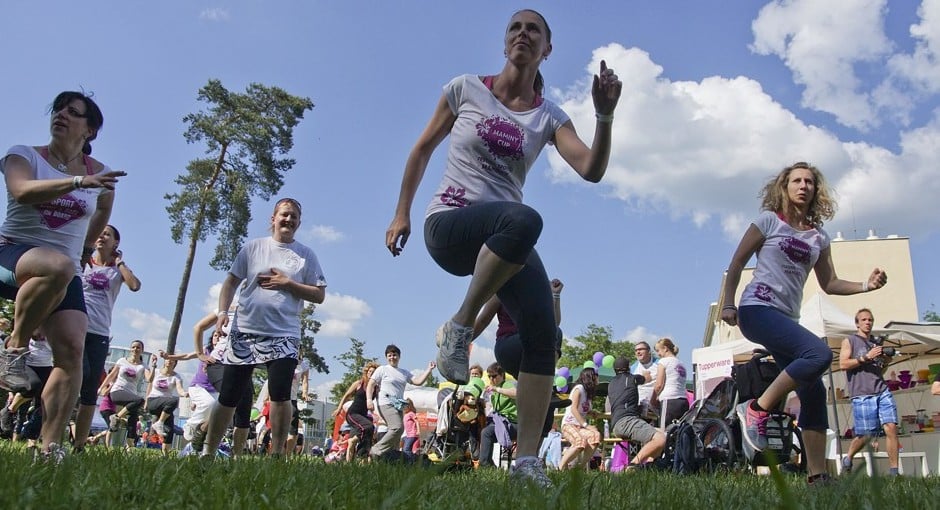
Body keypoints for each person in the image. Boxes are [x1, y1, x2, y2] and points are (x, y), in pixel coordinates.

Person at [385, 9, 621, 487]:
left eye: (534, 29)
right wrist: (401, 212)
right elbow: (422, 148)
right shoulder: (465, 88)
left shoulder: (549, 115)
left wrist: (604, 114)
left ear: (547, 50)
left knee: (542, 336)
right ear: (504, 42)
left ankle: (528, 463)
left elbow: (591, 169)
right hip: (450, 226)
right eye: (515, 27)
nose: (523, 34)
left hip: (505, 240)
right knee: (524, 218)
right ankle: (461, 326)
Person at [720, 161, 888, 486]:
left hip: (785, 318)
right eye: (796, 180)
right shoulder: (768, 221)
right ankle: (757, 408)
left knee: (813, 391)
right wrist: (728, 302)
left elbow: (830, 283)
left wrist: (866, 286)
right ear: (785, 187)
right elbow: (737, 262)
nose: (803, 186)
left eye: (809, 182)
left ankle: (818, 476)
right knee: (819, 355)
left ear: (816, 189)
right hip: (757, 309)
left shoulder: (819, 237)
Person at [0, 91, 126, 460]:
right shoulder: (23, 154)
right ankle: (15, 348)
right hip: (13, 255)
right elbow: (21, 191)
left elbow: (101, 211)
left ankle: (50, 447)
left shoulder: (98, 174)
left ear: (90, 130)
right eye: (59, 110)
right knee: (58, 264)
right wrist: (75, 184)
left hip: (64, 269)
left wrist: (87, 251)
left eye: (74, 113)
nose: (61, 116)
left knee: (72, 349)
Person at [202, 198, 327, 459]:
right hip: (246, 330)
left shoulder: (306, 255)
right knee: (229, 396)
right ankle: (208, 451)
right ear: (273, 218)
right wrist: (223, 313)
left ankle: (278, 454)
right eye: (284, 215)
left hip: (284, 333)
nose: (289, 220)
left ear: (299, 223)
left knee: (281, 395)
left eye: (294, 216)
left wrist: (287, 283)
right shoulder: (253, 248)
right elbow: (230, 283)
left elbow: (318, 294)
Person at [72, 224, 141, 452]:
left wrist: (120, 262)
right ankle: (50, 432)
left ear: (116, 243)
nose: (102, 236)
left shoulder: (116, 270)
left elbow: (135, 286)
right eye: (99, 233)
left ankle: (79, 445)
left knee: (90, 389)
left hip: (99, 333)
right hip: (74, 327)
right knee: (72, 379)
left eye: (107, 234)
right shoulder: (82, 262)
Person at [839, 308, 899, 475]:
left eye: (870, 320)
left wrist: (886, 361)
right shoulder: (849, 340)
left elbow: (881, 370)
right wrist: (866, 357)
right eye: (864, 319)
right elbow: (843, 364)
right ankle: (848, 458)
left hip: (881, 390)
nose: (868, 322)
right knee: (866, 435)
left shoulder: (876, 344)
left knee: (891, 427)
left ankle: (894, 472)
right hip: (862, 394)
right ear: (857, 323)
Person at [366, 344, 434, 459]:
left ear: (399, 356)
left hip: (398, 405)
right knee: (397, 427)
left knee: (398, 433)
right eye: (389, 355)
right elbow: (370, 385)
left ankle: (390, 457)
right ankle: (376, 449)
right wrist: (369, 400)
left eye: (395, 355)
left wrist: (429, 369)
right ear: (386, 357)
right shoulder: (382, 369)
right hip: (385, 402)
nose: (392, 357)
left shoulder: (403, 372)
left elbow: (418, 382)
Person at [607, 356, 665, 468]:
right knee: (660, 439)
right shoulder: (631, 378)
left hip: (616, 425)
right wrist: (647, 376)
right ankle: (634, 465)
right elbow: (645, 378)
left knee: (663, 433)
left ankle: (649, 465)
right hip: (627, 421)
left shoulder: (611, 384)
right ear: (628, 368)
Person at [99, 339, 154, 449]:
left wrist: (154, 366)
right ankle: (117, 417)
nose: (135, 349)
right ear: (130, 349)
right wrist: (101, 387)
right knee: (139, 401)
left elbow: (149, 379)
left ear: (142, 350)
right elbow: (111, 376)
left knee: (132, 421)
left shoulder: (143, 366)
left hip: (131, 395)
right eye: (133, 347)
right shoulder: (122, 361)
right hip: (117, 391)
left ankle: (130, 448)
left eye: (138, 347)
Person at [333, 362, 379, 461]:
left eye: (374, 372)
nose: (371, 373)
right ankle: (360, 455)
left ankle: (361, 458)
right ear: (366, 372)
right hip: (352, 414)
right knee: (369, 427)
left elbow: (380, 401)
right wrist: (339, 408)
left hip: (363, 416)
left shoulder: (375, 388)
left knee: (368, 431)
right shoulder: (359, 383)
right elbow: (346, 395)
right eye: (370, 371)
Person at [558, 367, 601, 470]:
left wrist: (591, 412)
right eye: (596, 376)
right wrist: (587, 425)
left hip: (579, 427)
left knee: (595, 436)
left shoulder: (587, 394)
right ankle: (560, 468)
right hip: (569, 424)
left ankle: (578, 468)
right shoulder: (579, 389)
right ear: (590, 377)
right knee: (579, 442)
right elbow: (573, 408)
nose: (598, 379)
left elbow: (582, 409)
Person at [478, 362, 517, 468]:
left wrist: (497, 389)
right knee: (482, 430)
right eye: (489, 376)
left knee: (487, 433)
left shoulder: (506, 385)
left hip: (513, 424)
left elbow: (516, 393)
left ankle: (485, 465)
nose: (491, 379)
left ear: (501, 375)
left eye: (494, 376)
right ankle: (488, 464)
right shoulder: (493, 392)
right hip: (501, 423)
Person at [145, 358, 187, 455]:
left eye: (172, 360)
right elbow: (149, 385)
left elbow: (179, 389)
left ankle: (165, 455)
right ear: (164, 361)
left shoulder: (176, 377)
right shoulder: (156, 372)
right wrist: (146, 401)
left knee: (169, 430)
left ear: (175, 363)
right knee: (174, 400)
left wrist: (184, 393)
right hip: (153, 401)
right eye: (167, 359)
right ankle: (159, 423)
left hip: (166, 406)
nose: (169, 361)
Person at [650, 338, 688, 429]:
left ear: (665, 348)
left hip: (669, 400)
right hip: (683, 400)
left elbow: (659, 384)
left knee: (664, 432)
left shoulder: (663, 362)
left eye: (658, 350)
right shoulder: (681, 363)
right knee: (680, 431)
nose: (658, 354)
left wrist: (653, 400)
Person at [286, 350, 311, 456]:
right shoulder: (284, 360)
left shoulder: (303, 365)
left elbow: (305, 381)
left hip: (292, 399)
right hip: (279, 398)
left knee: (293, 430)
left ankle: (288, 456)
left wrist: (305, 393)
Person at [631, 341, 658, 422]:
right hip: (639, 408)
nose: (638, 352)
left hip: (657, 408)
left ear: (649, 351)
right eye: (636, 350)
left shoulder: (660, 364)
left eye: (641, 349)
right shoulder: (633, 368)